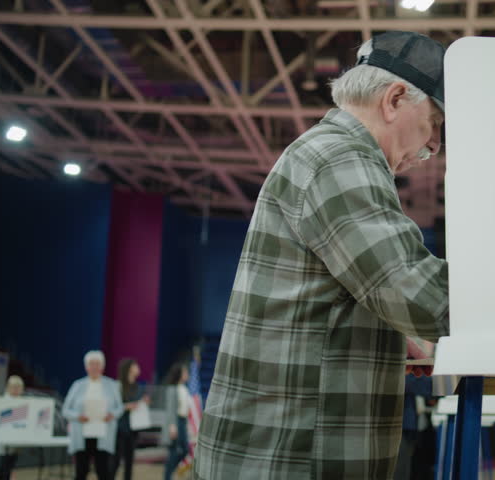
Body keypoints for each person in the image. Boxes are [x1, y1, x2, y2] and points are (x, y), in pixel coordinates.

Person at [193, 30, 448, 480]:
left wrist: (391, 332)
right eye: (435, 123)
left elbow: (336, 293)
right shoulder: (341, 158)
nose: (434, 146)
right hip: (289, 460)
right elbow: (419, 293)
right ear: (393, 100)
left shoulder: (327, 152)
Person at [62, 350, 123, 480]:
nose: (94, 367)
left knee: (104, 471)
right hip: (82, 433)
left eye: (97, 364)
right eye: (91, 364)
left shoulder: (112, 385)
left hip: (103, 433)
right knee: (81, 471)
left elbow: (120, 408)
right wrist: (78, 416)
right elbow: (66, 410)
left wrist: (112, 415)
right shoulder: (77, 385)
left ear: (102, 366)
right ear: (86, 366)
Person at [111, 358, 149, 480]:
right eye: (135, 365)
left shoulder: (138, 387)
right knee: (115, 460)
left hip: (133, 429)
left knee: (129, 462)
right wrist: (127, 406)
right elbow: (113, 407)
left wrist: (144, 402)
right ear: (129, 368)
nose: (138, 368)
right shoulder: (118, 386)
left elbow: (138, 404)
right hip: (120, 428)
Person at [161, 363, 191, 480]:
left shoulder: (184, 388)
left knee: (184, 450)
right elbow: (170, 409)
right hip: (176, 421)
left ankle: (170, 471)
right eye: (185, 372)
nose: (187, 374)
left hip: (183, 421)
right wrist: (172, 426)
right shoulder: (172, 389)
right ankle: (167, 476)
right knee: (174, 451)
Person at [0, 375, 25, 480]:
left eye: (18, 387)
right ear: (8, 387)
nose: (16, 390)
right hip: (4, 441)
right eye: (14, 387)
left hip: (15, 441)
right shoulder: (3, 401)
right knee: (4, 466)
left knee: (11, 465)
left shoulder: (22, 402)